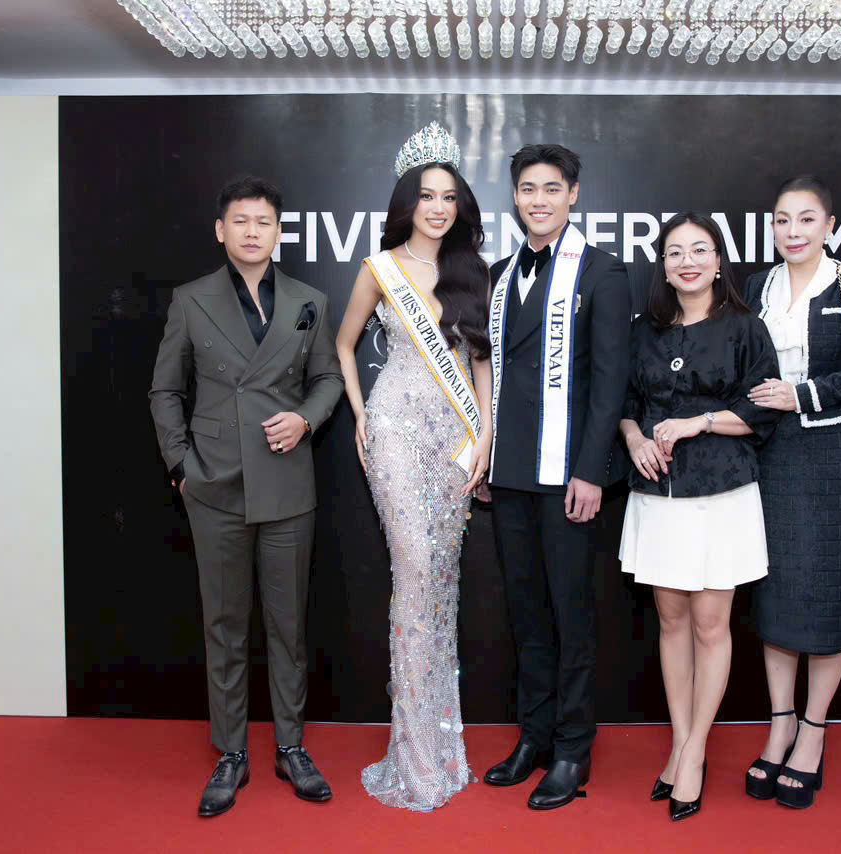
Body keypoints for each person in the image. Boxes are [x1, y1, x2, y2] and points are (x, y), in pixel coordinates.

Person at [149, 176, 345, 817]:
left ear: (278, 232)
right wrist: (181, 464)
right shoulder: (191, 300)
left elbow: (327, 377)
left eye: (263, 222)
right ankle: (230, 752)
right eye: (241, 220)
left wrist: (306, 419)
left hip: (287, 484)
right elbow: (164, 390)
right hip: (214, 484)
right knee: (225, 627)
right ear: (221, 230)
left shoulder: (308, 299)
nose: (252, 231)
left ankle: (291, 747)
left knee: (288, 628)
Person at [335, 122, 493, 812]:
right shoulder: (380, 269)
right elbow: (344, 345)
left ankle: (440, 742)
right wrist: (361, 413)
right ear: (408, 201)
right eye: (427, 195)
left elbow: (481, 363)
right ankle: (412, 754)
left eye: (449, 197)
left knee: (443, 583)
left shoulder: (472, 272)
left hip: (455, 438)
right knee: (414, 573)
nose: (438, 207)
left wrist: (485, 436)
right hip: (396, 432)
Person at [482, 143, 631, 811]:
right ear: (515, 198)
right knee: (526, 614)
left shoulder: (602, 271)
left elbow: (610, 382)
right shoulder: (498, 274)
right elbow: (490, 378)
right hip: (510, 473)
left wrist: (591, 470)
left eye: (551, 188)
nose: (538, 200)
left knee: (571, 616)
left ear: (573, 194)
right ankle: (534, 737)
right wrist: (486, 459)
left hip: (568, 474)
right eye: (527, 189)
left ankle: (573, 748)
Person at [619, 213, 781, 821]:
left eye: (699, 250)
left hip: (721, 493)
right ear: (663, 265)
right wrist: (635, 438)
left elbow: (762, 411)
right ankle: (682, 743)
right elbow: (625, 404)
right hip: (656, 493)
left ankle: (693, 753)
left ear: (717, 261)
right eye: (675, 252)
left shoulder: (744, 327)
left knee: (711, 625)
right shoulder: (643, 329)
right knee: (672, 621)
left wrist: (700, 422)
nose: (687, 261)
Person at [742, 175, 841, 809]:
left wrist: (803, 395)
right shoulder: (759, 285)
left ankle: (813, 731)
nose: (793, 231)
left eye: (806, 219)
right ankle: (780, 724)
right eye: (782, 220)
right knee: (777, 591)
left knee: (827, 592)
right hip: (770, 453)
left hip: (833, 453)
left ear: (830, 225)